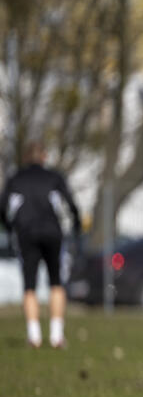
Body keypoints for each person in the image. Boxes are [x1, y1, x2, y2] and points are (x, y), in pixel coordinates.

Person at [0, 141, 82, 349]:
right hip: (53, 234)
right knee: (56, 283)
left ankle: (34, 336)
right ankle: (56, 336)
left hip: (26, 234)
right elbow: (71, 205)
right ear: (44, 157)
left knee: (30, 286)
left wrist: (10, 227)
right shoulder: (54, 178)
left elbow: (2, 207)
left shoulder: (16, 178)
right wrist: (76, 225)